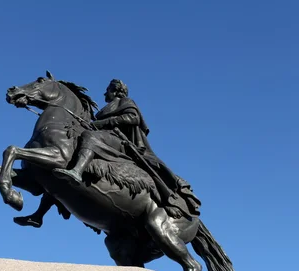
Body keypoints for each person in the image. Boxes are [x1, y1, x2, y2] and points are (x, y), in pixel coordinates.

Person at [13, 79, 200, 228]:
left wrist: (103, 123)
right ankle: (38, 215)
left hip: (121, 142)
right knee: (61, 164)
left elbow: (133, 118)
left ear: (116, 91)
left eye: (108, 90)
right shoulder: (105, 109)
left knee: (89, 138)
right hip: (107, 137)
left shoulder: (126, 102)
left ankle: (77, 171)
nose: (105, 93)